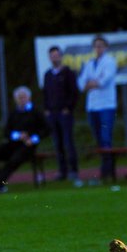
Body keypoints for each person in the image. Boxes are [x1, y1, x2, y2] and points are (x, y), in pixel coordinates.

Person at [0, 86, 49, 193]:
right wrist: (17, 135)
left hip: (28, 146)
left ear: (29, 98)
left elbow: (46, 129)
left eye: (24, 97)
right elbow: (6, 131)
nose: (22, 100)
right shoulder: (14, 113)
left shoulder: (36, 112)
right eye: (19, 98)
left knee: (14, 160)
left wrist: (33, 138)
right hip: (13, 145)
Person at [77, 35, 118, 181]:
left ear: (105, 47)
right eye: (96, 45)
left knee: (106, 139)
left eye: (101, 45)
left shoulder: (110, 62)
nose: (98, 48)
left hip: (106, 105)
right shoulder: (89, 63)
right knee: (99, 140)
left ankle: (106, 172)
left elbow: (103, 81)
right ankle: (106, 171)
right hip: (92, 107)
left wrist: (92, 83)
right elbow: (81, 83)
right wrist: (91, 83)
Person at [43, 46, 80, 181]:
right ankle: (62, 171)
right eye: (52, 55)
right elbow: (45, 93)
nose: (54, 58)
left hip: (64, 114)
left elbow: (74, 92)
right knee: (57, 143)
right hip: (52, 114)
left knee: (68, 142)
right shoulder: (48, 74)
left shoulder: (68, 72)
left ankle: (73, 170)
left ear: (61, 56)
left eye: (56, 55)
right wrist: (46, 109)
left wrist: (68, 108)